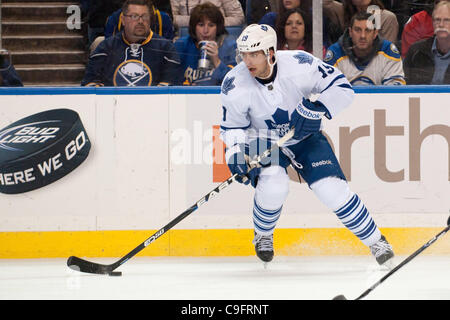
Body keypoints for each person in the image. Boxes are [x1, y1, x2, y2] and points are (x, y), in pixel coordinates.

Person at [219, 24, 395, 265]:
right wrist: (235, 154)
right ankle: (263, 235)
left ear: (270, 52)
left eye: (254, 54)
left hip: (304, 137)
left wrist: (317, 108)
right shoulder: (234, 83)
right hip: (262, 139)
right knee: (274, 184)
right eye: (244, 54)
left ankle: (376, 241)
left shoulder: (300, 64)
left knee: (331, 189)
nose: (247, 61)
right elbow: (232, 128)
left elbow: (342, 88)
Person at [81, 0, 183, 87]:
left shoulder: (166, 49)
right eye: (134, 16)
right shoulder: (105, 48)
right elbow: (90, 84)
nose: (140, 21)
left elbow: (172, 87)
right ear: (123, 20)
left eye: (145, 16)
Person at [324, 11, 405, 85]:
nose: (363, 36)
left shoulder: (388, 51)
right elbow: (328, 89)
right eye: (357, 30)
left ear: (375, 33)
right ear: (350, 32)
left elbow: (395, 91)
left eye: (368, 30)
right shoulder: (336, 52)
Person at [174, 3, 237, 85]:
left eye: (211, 25)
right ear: (194, 27)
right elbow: (172, 78)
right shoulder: (181, 45)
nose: (205, 31)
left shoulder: (230, 46)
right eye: (201, 25)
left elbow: (235, 82)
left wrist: (217, 62)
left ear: (218, 27)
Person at [403, 1, 450, 84]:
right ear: (432, 22)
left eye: (447, 20)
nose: (441, 24)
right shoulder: (416, 51)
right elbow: (404, 88)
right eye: (437, 20)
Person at [323, 0, 399, 44]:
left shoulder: (386, 17)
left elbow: (387, 52)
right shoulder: (341, 11)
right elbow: (321, 3)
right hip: (344, 62)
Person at [104, 3, 175, 41]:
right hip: (122, 60)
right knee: (98, 41)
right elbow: (110, 48)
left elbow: (167, 50)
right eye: (134, 16)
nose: (140, 21)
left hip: (154, 61)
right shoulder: (115, 18)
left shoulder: (163, 18)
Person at [170, 0, 245, 28]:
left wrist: (213, 23)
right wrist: (196, 21)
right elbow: (171, 19)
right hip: (187, 38)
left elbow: (238, 18)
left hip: (220, 37)